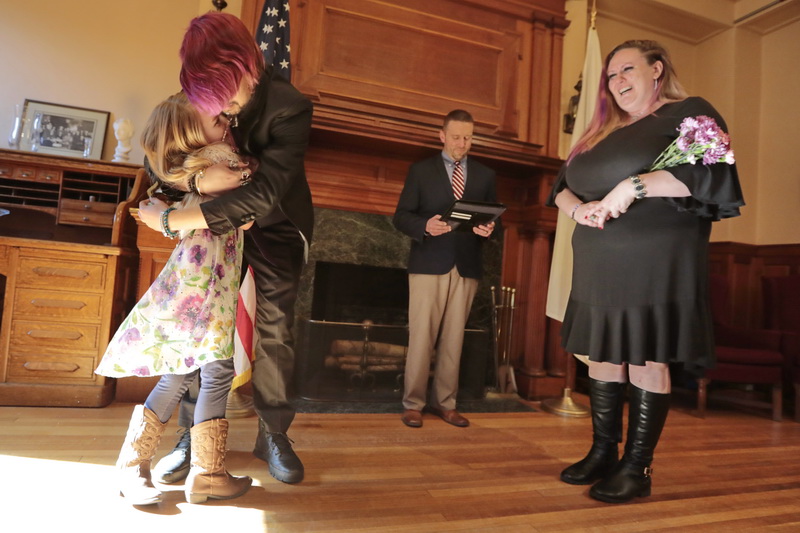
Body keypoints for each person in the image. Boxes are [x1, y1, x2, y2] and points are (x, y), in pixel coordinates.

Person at [547, 40, 744, 504]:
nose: (617, 81)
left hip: (657, 255)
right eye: (611, 75)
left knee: (645, 355)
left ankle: (637, 467)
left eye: (627, 69)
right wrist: (580, 213)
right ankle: (602, 452)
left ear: (657, 70)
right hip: (599, 257)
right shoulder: (600, 133)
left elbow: (713, 176)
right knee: (603, 354)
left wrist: (632, 186)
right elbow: (560, 189)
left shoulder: (689, 112)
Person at [137, 12, 314, 485]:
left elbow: (263, 196)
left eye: (230, 100)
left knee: (275, 330)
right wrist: (195, 177)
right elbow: (160, 156)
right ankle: (192, 436)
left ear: (249, 64)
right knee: (203, 327)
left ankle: (274, 432)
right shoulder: (199, 89)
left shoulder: (291, 105)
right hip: (213, 235)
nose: (225, 113)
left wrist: (174, 220)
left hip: (275, 226)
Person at [96, 91, 253, 506]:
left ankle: (200, 472)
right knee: (188, 373)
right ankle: (155, 467)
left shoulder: (201, 168)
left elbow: (244, 214)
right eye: (214, 116)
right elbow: (247, 210)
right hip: (199, 286)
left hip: (212, 283)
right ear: (188, 131)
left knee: (203, 372)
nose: (225, 119)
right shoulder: (214, 166)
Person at [393, 109, 498, 429]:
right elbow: (401, 216)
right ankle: (413, 404)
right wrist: (424, 224)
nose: (462, 143)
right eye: (456, 137)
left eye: (468, 137)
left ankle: (446, 404)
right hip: (428, 264)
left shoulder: (485, 175)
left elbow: (495, 218)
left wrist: (490, 229)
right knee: (422, 337)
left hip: (466, 267)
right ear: (442, 135)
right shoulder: (420, 171)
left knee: (454, 339)